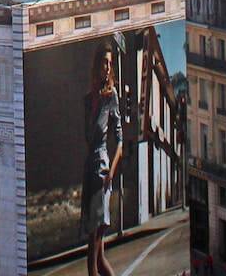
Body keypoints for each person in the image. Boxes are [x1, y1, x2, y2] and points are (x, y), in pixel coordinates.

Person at [84, 42, 128, 276]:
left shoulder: (112, 97)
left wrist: (111, 171)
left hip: (102, 171)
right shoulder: (88, 98)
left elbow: (120, 139)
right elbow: (87, 136)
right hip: (89, 172)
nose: (109, 68)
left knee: (93, 247)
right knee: (98, 257)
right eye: (105, 62)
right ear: (97, 64)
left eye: (111, 63)